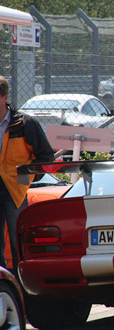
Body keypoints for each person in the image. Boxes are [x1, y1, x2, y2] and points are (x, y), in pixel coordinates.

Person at [0, 76, 54, 270]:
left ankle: (22, 287)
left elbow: (46, 156)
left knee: (18, 241)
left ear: (4, 97)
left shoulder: (24, 124)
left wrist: (27, 177)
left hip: (15, 190)